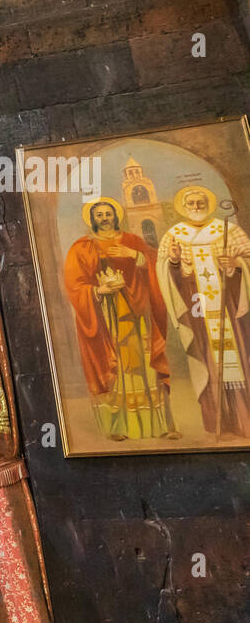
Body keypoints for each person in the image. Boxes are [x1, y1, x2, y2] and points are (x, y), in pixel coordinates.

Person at [63, 197, 177, 441]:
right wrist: (97, 291)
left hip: (137, 312)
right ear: (92, 219)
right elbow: (74, 284)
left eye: (108, 213)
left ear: (116, 216)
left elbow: (155, 262)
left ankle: (160, 426)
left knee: (145, 362)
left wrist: (136, 255)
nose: (104, 218)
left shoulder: (132, 241)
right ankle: (118, 427)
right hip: (106, 315)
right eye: (99, 215)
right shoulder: (82, 246)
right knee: (115, 364)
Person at [157, 185, 250, 437]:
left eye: (201, 203)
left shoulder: (228, 230)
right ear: (183, 207)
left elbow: (247, 259)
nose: (196, 207)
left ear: (208, 204)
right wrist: (175, 262)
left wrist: (235, 265)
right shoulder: (174, 235)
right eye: (191, 204)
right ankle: (218, 422)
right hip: (198, 311)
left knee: (239, 360)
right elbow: (166, 272)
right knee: (208, 362)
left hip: (230, 309)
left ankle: (244, 419)